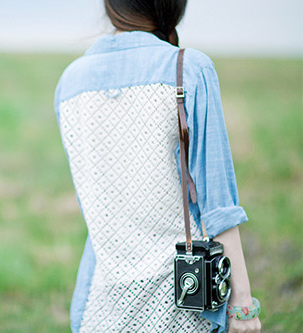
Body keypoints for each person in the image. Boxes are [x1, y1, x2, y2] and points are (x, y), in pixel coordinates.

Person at [54, 1, 262, 332]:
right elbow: (219, 206)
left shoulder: (70, 83)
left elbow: (92, 205)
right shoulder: (191, 69)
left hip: (100, 306)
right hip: (184, 301)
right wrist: (243, 307)